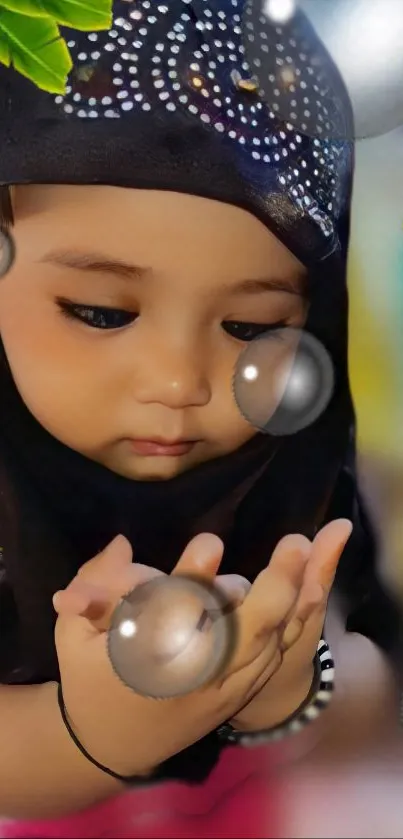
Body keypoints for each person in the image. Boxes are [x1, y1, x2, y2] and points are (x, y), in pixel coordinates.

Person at [0, 0, 399, 825]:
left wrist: (285, 687)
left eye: (253, 327)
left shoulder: (288, 478)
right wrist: (84, 740)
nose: (181, 382)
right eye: (102, 312)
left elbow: (369, 680)